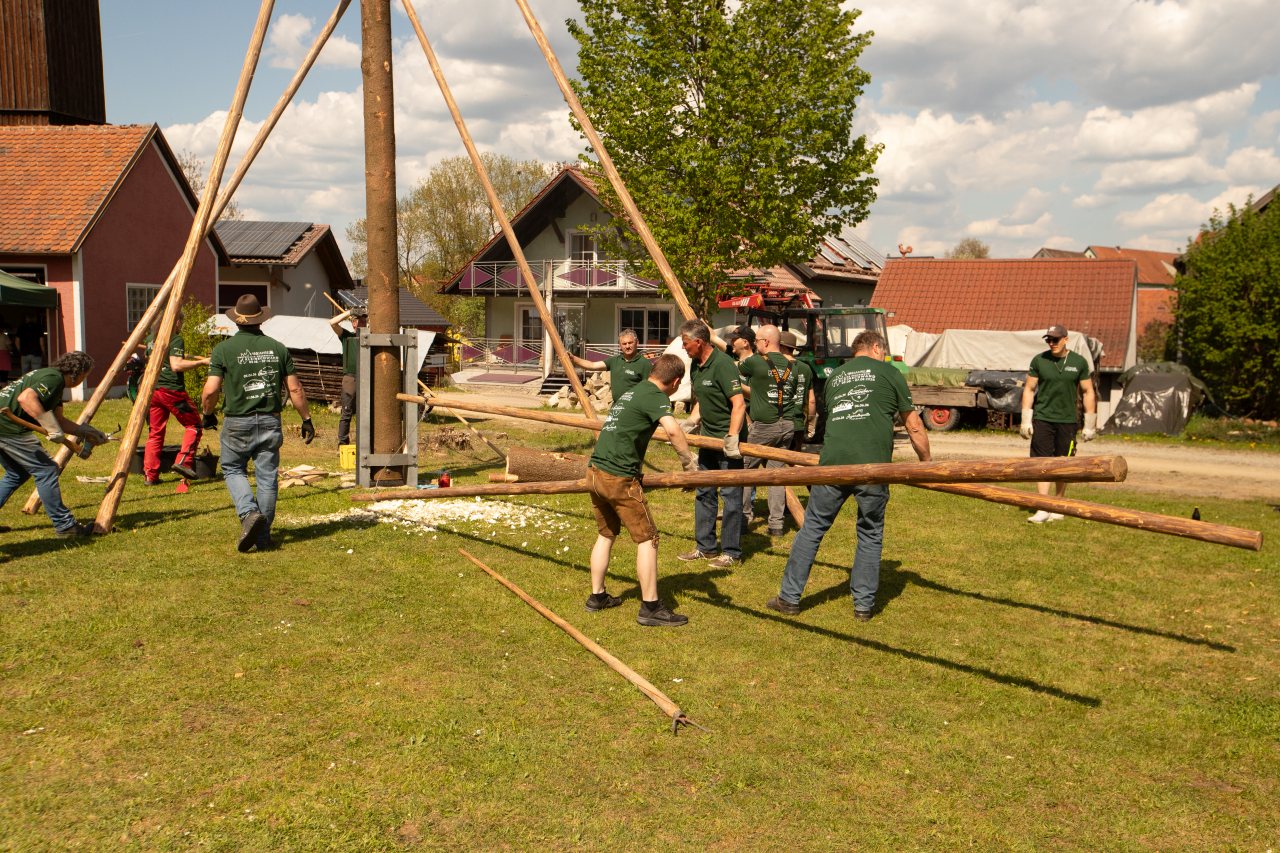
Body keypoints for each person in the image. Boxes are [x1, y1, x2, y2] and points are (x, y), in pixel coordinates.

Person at [766, 331, 930, 622]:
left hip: (833, 465)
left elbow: (836, 419)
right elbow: (914, 425)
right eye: (883, 351)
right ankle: (863, 607)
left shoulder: (835, 377)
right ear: (876, 347)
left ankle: (789, 598)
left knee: (812, 528)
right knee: (870, 532)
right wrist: (927, 464)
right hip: (873, 468)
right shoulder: (890, 373)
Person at [585, 353, 698, 627]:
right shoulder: (655, 396)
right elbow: (673, 430)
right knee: (648, 539)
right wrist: (689, 465)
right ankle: (650, 607)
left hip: (595, 472)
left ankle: (597, 597)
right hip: (618, 477)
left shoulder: (633, 391)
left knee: (606, 534)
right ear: (676, 381)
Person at [201, 294, 315, 552]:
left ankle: (248, 513)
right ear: (260, 319)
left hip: (237, 422)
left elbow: (210, 390)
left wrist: (207, 413)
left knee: (232, 468)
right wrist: (306, 419)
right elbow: (295, 389)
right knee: (266, 477)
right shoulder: (278, 348)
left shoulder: (223, 350)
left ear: (236, 320)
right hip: (269, 421)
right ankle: (263, 536)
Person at [0, 351, 108, 537]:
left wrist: (87, 432)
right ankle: (65, 526)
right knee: (47, 470)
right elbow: (26, 398)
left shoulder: (53, 381)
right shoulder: (54, 378)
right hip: (8, 428)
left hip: (4, 427)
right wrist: (49, 426)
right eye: (85, 375)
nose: (83, 379)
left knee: (17, 473)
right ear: (76, 372)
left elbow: (60, 421)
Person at [676, 319, 746, 569]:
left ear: (699, 341)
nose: (683, 347)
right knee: (704, 492)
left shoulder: (723, 365)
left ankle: (731, 552)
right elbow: (702, 400)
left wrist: (732, 437)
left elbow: (739, 404)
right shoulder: (696, 365)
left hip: (727, 442)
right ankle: (705, 547)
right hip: (707, 439)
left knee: (731, 496)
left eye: (685, 343)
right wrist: (691, 421)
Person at [1019, 324, 1097, 523]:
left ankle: (1058, 505)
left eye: (1055, 339)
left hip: (1067, 421)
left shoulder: (1079, 362)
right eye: (1048, 340)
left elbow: (1088, 391)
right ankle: (1043, 507)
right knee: (1041, 463)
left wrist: (1090, 423)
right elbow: (1029, 389)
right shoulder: (1039, 360)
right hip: (1043, 418)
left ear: (1065, 339)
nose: (1051, 343)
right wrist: (1026, 419)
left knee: (1063, 463)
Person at [737, 324, 797, 537]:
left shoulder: (755, 362)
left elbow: (735, 369)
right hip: (787, 425)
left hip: (764, 426)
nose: (755, 345)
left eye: (757, 341)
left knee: (745, 472)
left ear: (766, 342)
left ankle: (742, 520)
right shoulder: (793, 366)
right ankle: (776, 525)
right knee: (776, 475)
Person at [143, 328, 211, 484]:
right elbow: (176, 365)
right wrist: (202, 362)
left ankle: (150, 475)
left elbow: (151, 358)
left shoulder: (151, 338)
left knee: (155, 432)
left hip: (154, 390)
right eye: (181, 320)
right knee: (194, 425)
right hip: (171, 390)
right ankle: (183, 462)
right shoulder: (175, 339)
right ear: (177, 320)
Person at [568, 328, 652, 401]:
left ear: (637, 342)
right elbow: (592, 365)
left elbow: (650, 389)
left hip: (635, 409)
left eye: (630, 343)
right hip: (616, 406)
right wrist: (573, 358)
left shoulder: (644, 363)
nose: (627, 346)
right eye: (624, 344)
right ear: (620, 346)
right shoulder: (614, 360)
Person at [328, 308, 364, 447]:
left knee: (366, 413)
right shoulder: (346, 336)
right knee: (347, 412)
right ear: (354, 323)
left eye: (364, 320)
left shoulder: (371, 338)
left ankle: (365, 444)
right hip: (350, 378)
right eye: (360, 320)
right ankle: (343, 444)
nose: (363, 322)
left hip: (366, 378)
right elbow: (332, 322)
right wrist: (350, 312)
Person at [779, 330, 816, 450]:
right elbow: (811, 401)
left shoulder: (774, 366)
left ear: (782, 347)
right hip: (798, 424)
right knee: (795, 458)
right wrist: (811, 423)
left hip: (778, 423)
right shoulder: (806, 368)